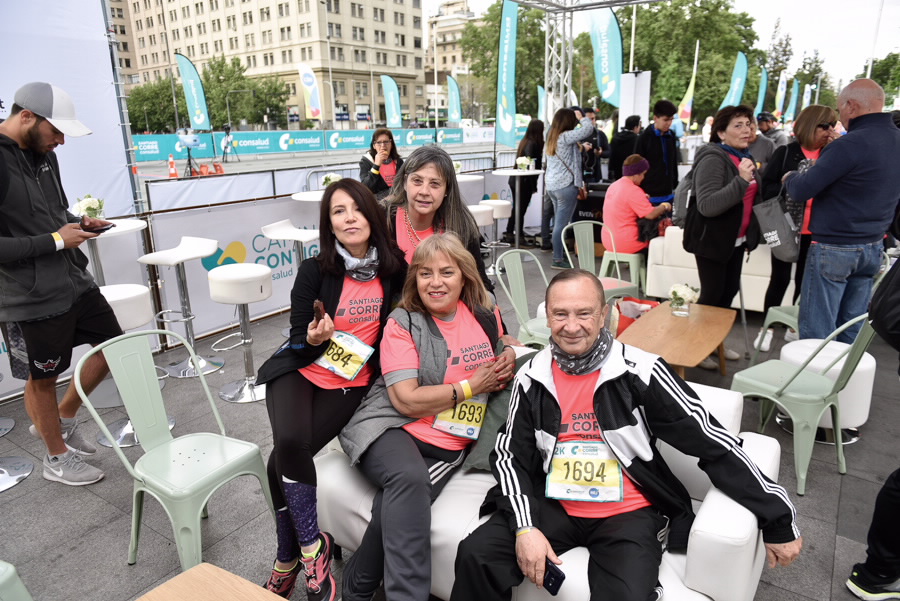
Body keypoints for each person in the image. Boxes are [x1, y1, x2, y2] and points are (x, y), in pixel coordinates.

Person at [450, 269, 802, 601]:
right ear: (548, 317)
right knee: (476, 555)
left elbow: (714, 443)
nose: (571, 326)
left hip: (627, 512)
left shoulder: (641, 372)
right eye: (560, 314)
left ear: (604, 315)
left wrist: (778, 519)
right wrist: (525, 528)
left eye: (584, 313)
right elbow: (509, 455)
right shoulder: (533, 376)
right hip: (555, 501)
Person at [339, 233, 516, 601]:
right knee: (408, 476)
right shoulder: (403, 323)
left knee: (398, 501)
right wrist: (471, 386)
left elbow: (505, 343)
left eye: (446, 272)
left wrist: (509, 355)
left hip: (449, 444)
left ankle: (358, 584)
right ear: (414, 279)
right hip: (393, 427)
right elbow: (405, 400)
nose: (435, 283)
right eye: (425, 273)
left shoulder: (484, 315)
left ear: (464, 276)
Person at [256, 179, 407, 600]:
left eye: (356, 209)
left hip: (351, 381)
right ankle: (312, 548)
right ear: (330, 224)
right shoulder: (314, 270)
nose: (349, 218)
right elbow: (297, 337)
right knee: (290, 442)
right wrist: (313, 339)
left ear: (372, 216)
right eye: (339, 212)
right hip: (299, 369)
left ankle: (285, 559)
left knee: (281, 459)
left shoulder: (394, 270)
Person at [0, 82, 120, 486]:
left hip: (73, 280)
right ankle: (56, 457)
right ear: (26, 117)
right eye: (56, 131)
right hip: (30, 296)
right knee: (43, 378)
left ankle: (63, 419)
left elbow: (53, 212)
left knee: (113, 349)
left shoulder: (45, 156)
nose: (62, 141)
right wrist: (55, 239)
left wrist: (79, 223)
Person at [784, 79, 900, 343]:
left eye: (839, 110)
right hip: (873, 245)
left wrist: (790, 176)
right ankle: (845, 371)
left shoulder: (849, 144)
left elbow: (802, 190)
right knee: (850, 326)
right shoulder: (896, 140)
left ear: (851, 105)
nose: (839, 119)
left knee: (818, 332)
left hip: (834, 246)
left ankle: (818, 372)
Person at [754, 105, 840, 352]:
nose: (829, 130)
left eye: (832, 125)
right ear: (810, 125)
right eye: (824, 125)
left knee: (806, 283)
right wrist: (793, 186)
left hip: (818, 230)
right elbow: (767, 187)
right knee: (779, 279)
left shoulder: (833, 153)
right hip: (784, 226)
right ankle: (767, 329)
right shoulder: (786, 152)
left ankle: (794, 328)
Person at [682, 105, 762, 369]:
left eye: (748, 124)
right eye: (738, 125)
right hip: (712, 241)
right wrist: (741, 180)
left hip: (736, 241)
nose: (746, 129)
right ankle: (696, 347)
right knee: (712, 296)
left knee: (727, 294)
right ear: (721, 132)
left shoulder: (744, 156)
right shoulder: (713, 158)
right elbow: (707, 205)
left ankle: (715, 343)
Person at [385, 145, 494, 293]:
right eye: (417, 181)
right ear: (405, 182)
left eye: (435, 184)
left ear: (447, 189)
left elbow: (480, 285)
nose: (424, 191)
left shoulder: (460, 224)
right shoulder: (383, 219)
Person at [543, 107, 595, 270]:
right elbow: (588, 129)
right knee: (561, 224)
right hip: (566, 186)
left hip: (552, 186)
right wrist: (581, 117)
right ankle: (558, 259)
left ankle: (560, 253)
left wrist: (581, 147)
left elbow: (570, 152)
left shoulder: (551, 136)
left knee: (558, 223)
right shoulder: (565, 136)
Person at [601, 154, 671, 256]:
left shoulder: (613, 186)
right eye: (643, 174)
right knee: (659, 241)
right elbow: (650, 214)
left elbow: (625, 204)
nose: (643, 178)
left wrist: (642, 197)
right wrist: (664, 206)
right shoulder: (633, 190)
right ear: (636, 174)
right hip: (627, 243)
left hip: (608, 241)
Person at [504, 119, 543, 245]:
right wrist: (533, 186)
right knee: (520, 209)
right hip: (524, 182)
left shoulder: (525, 141)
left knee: (517, 208)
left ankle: (510, 232)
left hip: (518, 180)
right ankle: (518, 235)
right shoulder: (532, 144)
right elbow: (531, 163)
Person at [635, 100, 679, 206]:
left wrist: (674, 182)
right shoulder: (644, 138)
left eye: (671, 119)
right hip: (649, 193)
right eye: (665, 120)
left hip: (668, 191)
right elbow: (637, 165)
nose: (669, 123)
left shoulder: (671, 136)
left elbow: (673, 161)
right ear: (655, 118)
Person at [359, 128, 404, 200]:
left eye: (386, 142)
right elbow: (365, 187)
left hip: (398, 202)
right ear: (374, 146)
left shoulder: (399, 161)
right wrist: (376, 166)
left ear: (391, 144)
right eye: (379, 142)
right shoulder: (366, 161)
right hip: (377, 203)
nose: (383, 145)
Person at [608, 115, 641, 181]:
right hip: (631, 172)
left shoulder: (615, 137)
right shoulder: (637, 140)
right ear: (635, 127)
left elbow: (611, 154)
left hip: (616, 171)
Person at [582, 107, 610, 183]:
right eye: (588, 119)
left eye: (593, 119)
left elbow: (608, 152)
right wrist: (582, 148)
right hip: (580, 173)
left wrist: (600, 153)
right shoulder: (577, 134)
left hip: (595, 173)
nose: (591, 121)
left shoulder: (600, 134)